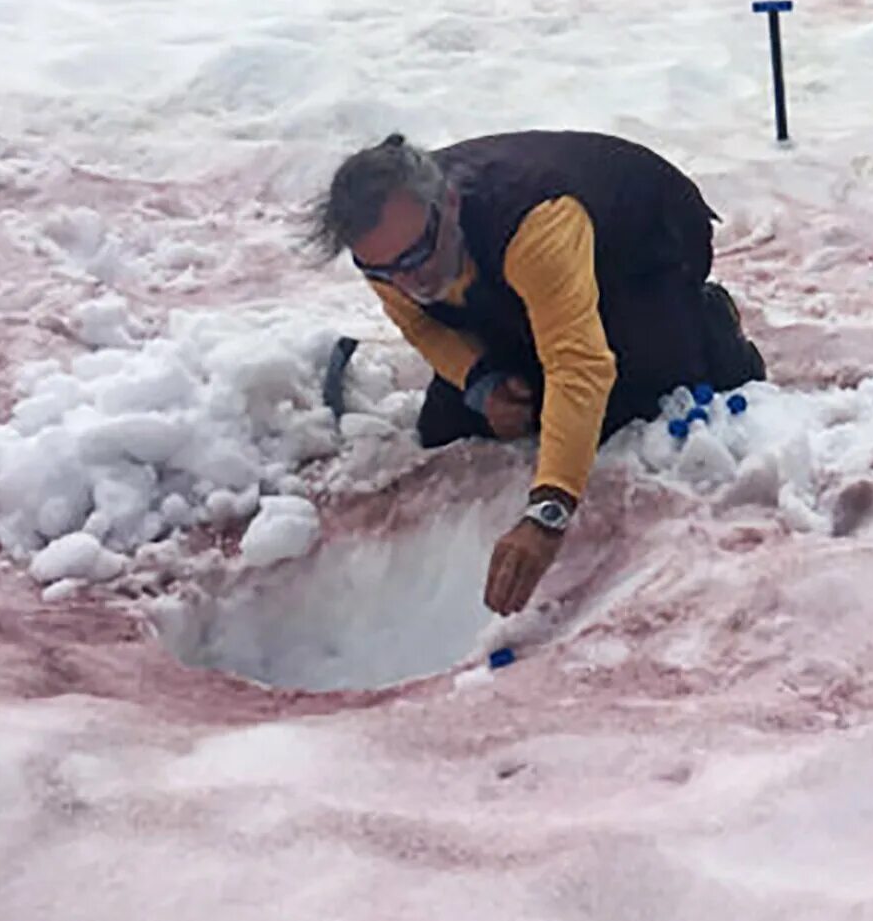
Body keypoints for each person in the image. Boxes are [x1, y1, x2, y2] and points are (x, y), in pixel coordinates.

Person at [302, 130, 764, 616]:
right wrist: (481, 384)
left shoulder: (533, 223)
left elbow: (578, 367)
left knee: (627, 408)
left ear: (451, 204)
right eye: (381, 271)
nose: (407, 281)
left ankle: (707, 323)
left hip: (641, 245)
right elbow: (420, 324)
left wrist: (548, 513)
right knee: (447, 424)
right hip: (515, 273)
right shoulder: (390, 250)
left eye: (417, 256)